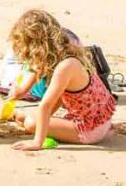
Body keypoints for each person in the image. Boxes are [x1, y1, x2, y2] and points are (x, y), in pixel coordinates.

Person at [8, 10, 115, 149]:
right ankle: (40, 121)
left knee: (31, 123)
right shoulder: (67, 53)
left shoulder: (65, 67)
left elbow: (46, 105)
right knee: (36, 117)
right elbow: (40, 72)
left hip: (90, 129)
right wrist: (22, 90)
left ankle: (37, 124)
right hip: (100, 121)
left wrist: (37, 142)